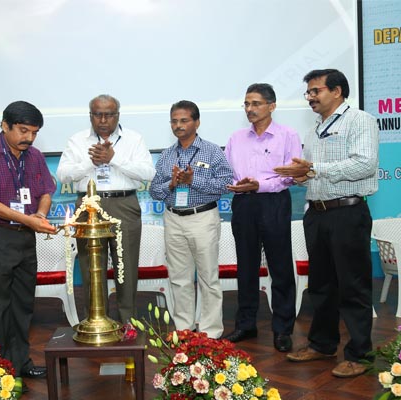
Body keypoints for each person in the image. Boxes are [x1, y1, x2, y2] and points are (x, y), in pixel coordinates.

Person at [274, 69, 379, 378]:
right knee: (321, 285)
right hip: (317, 214)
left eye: (315, 90)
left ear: (337, 91)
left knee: (353, 285)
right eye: (308, 92)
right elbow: (313, 174)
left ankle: (360, 354)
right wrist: (300, 176)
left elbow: (365, 164)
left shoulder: (360, 120)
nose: (310, 97)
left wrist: (315, 168)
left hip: (347, 212)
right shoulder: (314, 130)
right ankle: (322, 344)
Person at [0, 101, 57, 382]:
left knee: (22, 305)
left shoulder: (35, 156)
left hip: (25, 238)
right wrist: (27, 220)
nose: (29, 138)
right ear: (4, 125)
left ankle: (20, 362)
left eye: (34, 132)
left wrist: (40, 215)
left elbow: (45, 192)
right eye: (23, 130)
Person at [56, 94, 155, 324]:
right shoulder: (77, 140)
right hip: (89, 205)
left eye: (108, 115)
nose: (103, 120)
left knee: (126, 266)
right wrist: (90, 162)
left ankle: (128, 324)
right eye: (97, 114)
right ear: (90, 115)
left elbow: (148, 173)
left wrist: (113, 158)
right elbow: (63, 175)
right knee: (91, 267)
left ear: (117, 115)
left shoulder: (134, 139)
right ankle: (96, 322)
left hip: (124, 204)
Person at [222, 83, 301, 352]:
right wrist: (236, 184)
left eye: (255, 103)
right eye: (246, 104)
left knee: (280, 267)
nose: (249, 109)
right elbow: (227, 171)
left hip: (274, 202)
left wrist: (260, 184)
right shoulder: (236, 138)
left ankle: (282, 329)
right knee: (246, 266)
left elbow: (291, 175)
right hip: (244, 203)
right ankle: (246, 324)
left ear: (272, 106)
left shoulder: (288, 135)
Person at [149, 100, 233, 339]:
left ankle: (210, 332)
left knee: (208, 277)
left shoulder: (212, 151)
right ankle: (184, 329)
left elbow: (226, 183)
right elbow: (154, 190)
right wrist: (172, 183)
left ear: (197, 122)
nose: (178, 125)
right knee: (179, 278)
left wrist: (192, 180)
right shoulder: (167, 155)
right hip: (173, 218)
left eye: (184, 120)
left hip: (202, 217)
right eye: (174, 121)